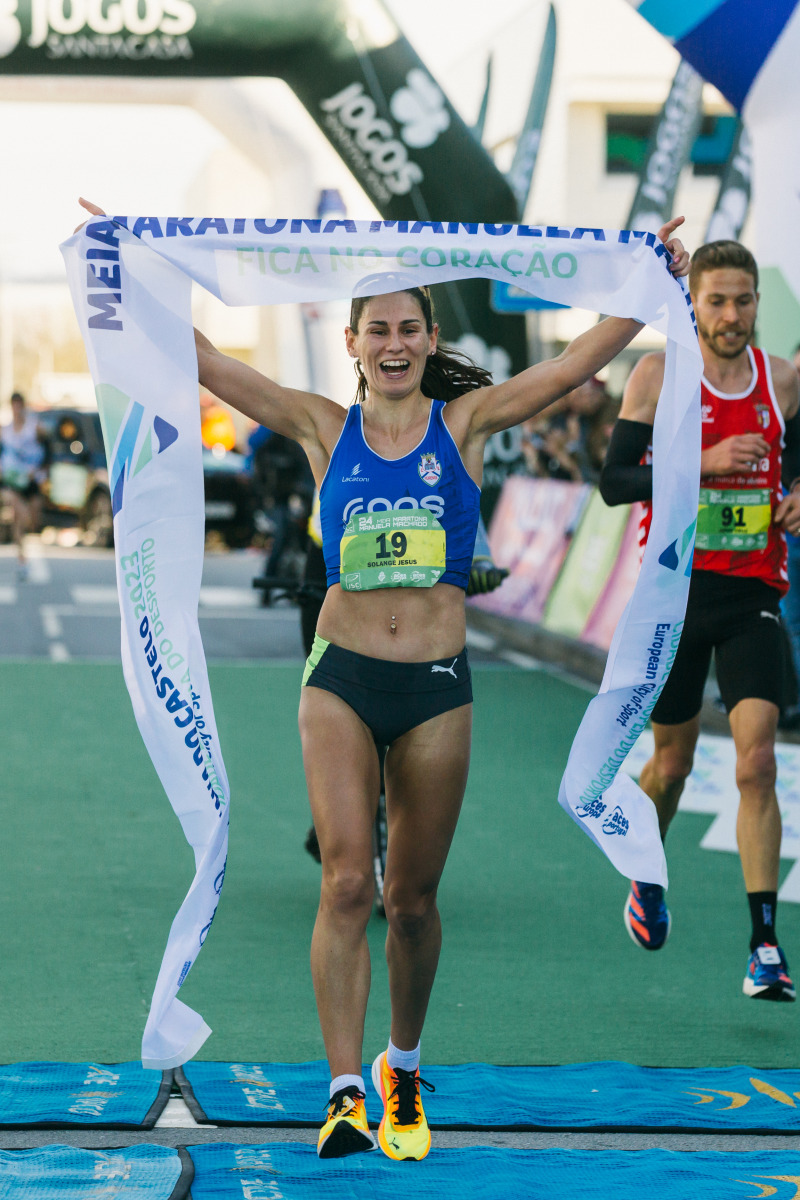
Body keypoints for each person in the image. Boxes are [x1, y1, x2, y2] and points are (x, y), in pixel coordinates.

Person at [78, 198, 688, 1160]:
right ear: (355, 345)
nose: (395, 343)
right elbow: (210, 362)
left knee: (411, 901)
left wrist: (657, 276)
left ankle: (403, 1064)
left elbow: (574, 365)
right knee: (347, 884)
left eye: (410, 327)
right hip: (342, 678)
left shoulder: (468, 418)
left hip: (438, 684)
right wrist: (124, 260)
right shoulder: (322, 426)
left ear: (429, 338)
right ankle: (345, 1090)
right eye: (378, 331)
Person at [600, 239, 800, 1003]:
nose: (731, 315)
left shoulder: (780, 380)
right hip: (676, 597)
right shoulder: (658, 374)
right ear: (693, 305)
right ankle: (647, 875)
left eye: (743, 300)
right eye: (716, 301)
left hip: (753, 593)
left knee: (757, 763)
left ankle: (765, 946)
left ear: (757, 303)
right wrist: (704, 463)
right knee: (673, 765)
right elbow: (616, 482)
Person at [0, 392, 47, 578]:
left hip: (32, 479)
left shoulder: (34, 426)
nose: (17, 409)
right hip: (13, 480)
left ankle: (28, 546)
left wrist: (41, 470)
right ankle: (22, 561)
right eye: (14, 405)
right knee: (18, 517)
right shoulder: (6, 430)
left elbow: (47, 446)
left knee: (33, 519)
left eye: (19, 405)